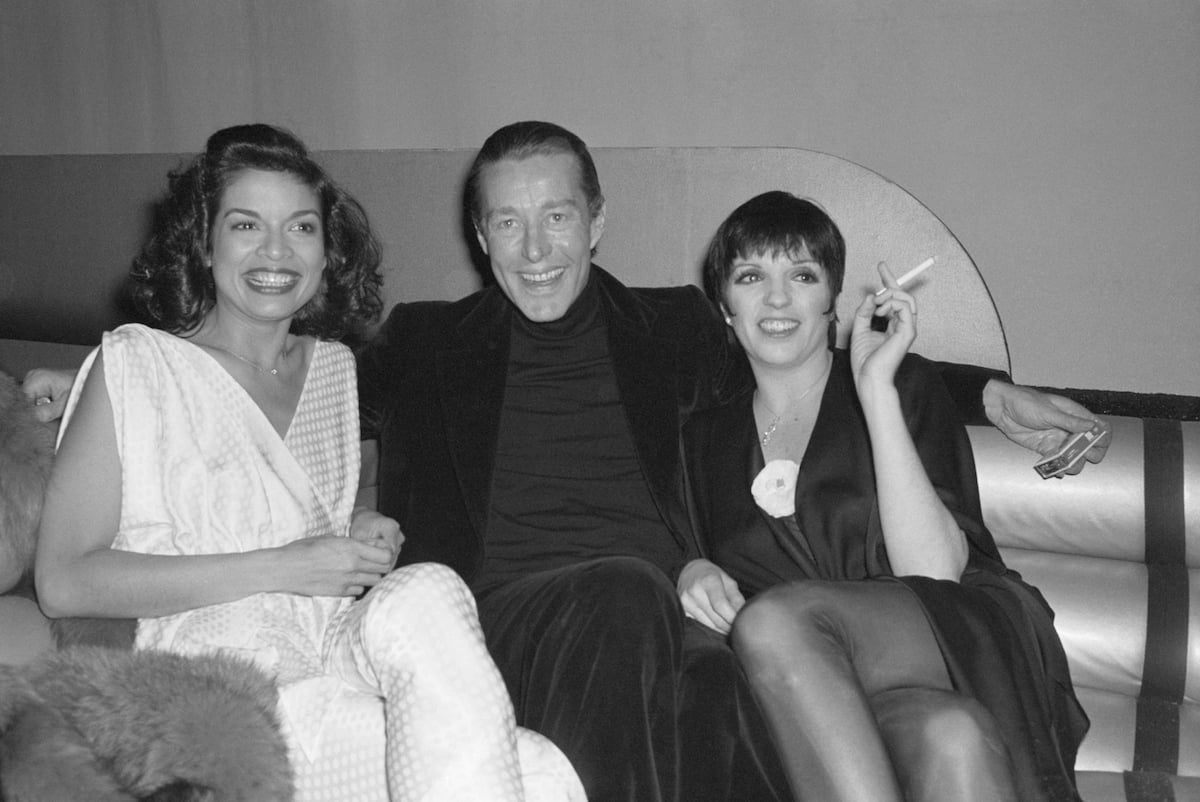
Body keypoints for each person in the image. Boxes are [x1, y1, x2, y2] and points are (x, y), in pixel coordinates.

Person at [25, 120, 1106, 802]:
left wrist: (991, 392)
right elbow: (222, 382)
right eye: (509, 223)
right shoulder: (422, 345)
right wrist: (43, 389)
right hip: (507, 616)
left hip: (670, 621)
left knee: (717, 673)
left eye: (557, 217)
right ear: (481, 238)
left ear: (598, 221)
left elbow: (818, 340)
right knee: (617, 593)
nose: (535, 247)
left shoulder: (682, 327)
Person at [34, 124, 583, 802]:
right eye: (245, 225)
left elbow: (282, 497)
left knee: (430, 587)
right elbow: (63, 581)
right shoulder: (135, 365)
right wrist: (287, 564)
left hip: (328, 646)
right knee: (544, 776)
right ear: (202, 243)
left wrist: (356, 528)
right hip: (223, 689)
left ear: (328, 253)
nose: (275, 251)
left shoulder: (334, 370)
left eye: (300, 228)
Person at [679, 191, 1089, 801]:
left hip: (947, 631)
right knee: (955, 738)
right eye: (750, 276)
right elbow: (671, 542)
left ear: (832, 301)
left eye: (802, 274)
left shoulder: (904, 385)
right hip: (815, 688)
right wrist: (687, 567)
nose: (777, 298)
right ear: (725, 306)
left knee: (777, 618)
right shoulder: (701, 439)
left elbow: (935, 574)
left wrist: (876, 392)